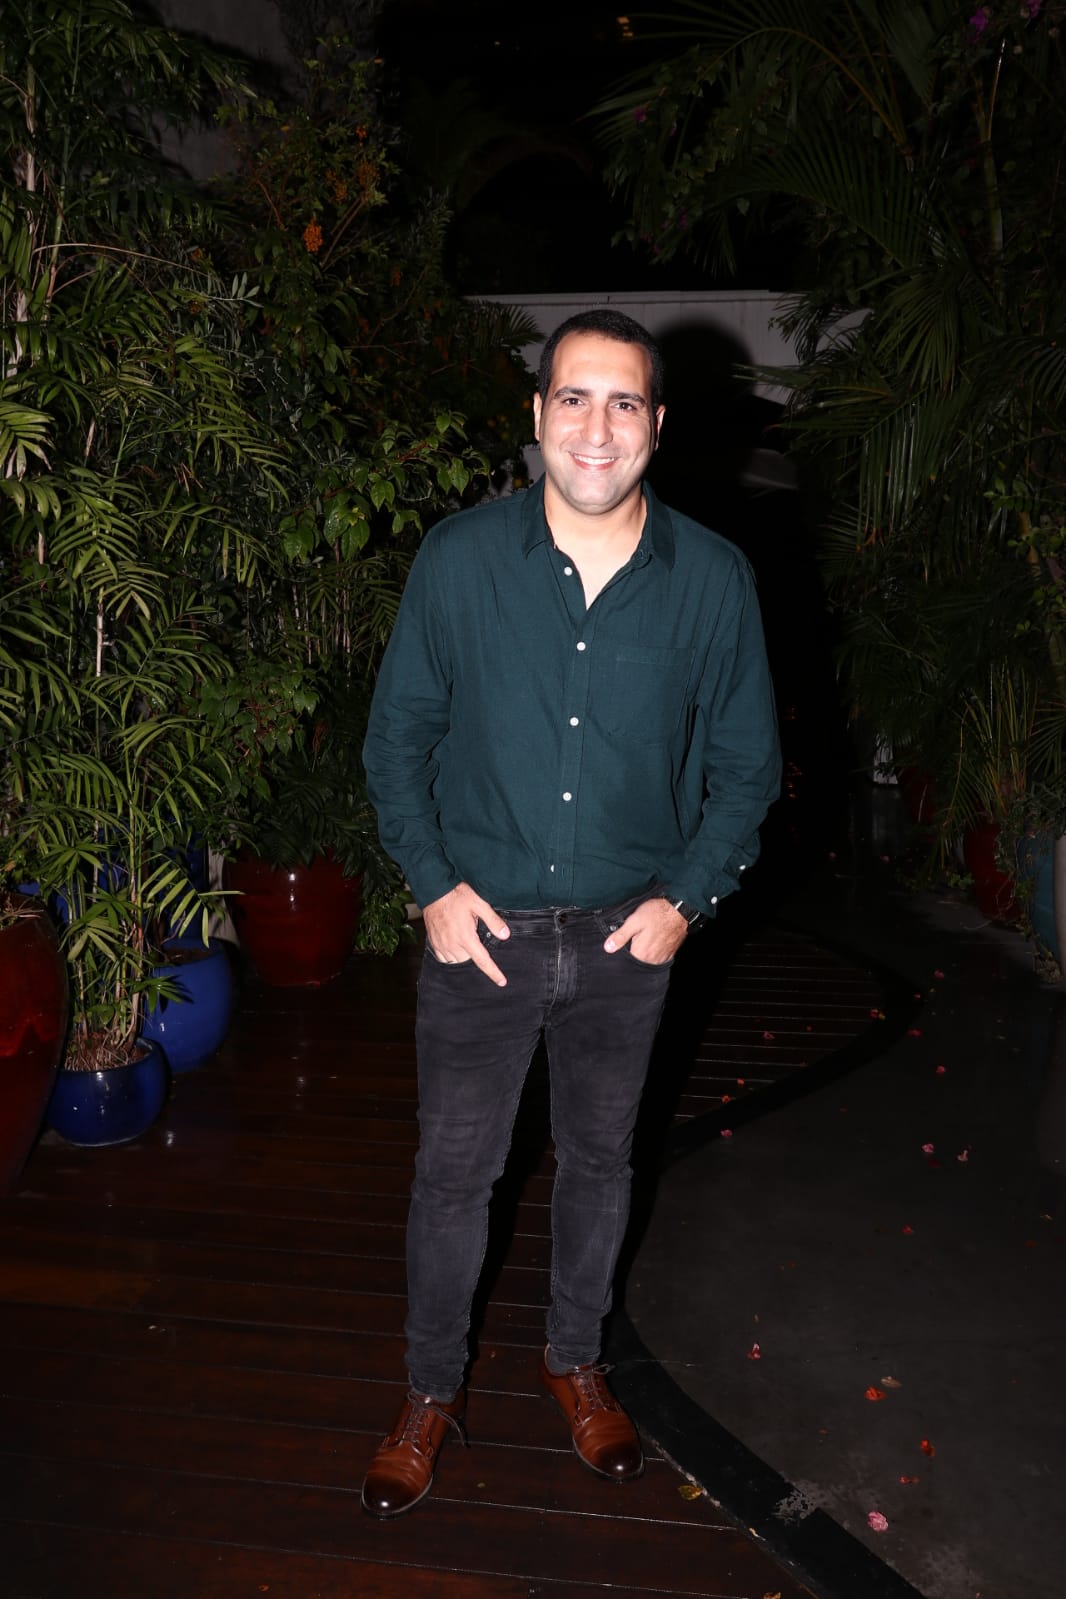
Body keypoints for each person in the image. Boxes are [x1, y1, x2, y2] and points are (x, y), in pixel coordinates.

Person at [360, 308, 780, 1517]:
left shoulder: (711, 579)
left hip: (623, 941)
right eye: (574, 398)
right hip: (479, 937)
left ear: (657, 423)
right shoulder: (459, 561)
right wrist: (431, 886)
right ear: (539, 415)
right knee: (454, 1178)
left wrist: (682, 904)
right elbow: (396, 740)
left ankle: (574, 1361)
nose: (598, 427)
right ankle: (429, 1389)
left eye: (624, 402)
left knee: (600, 1163)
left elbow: (748, 770)